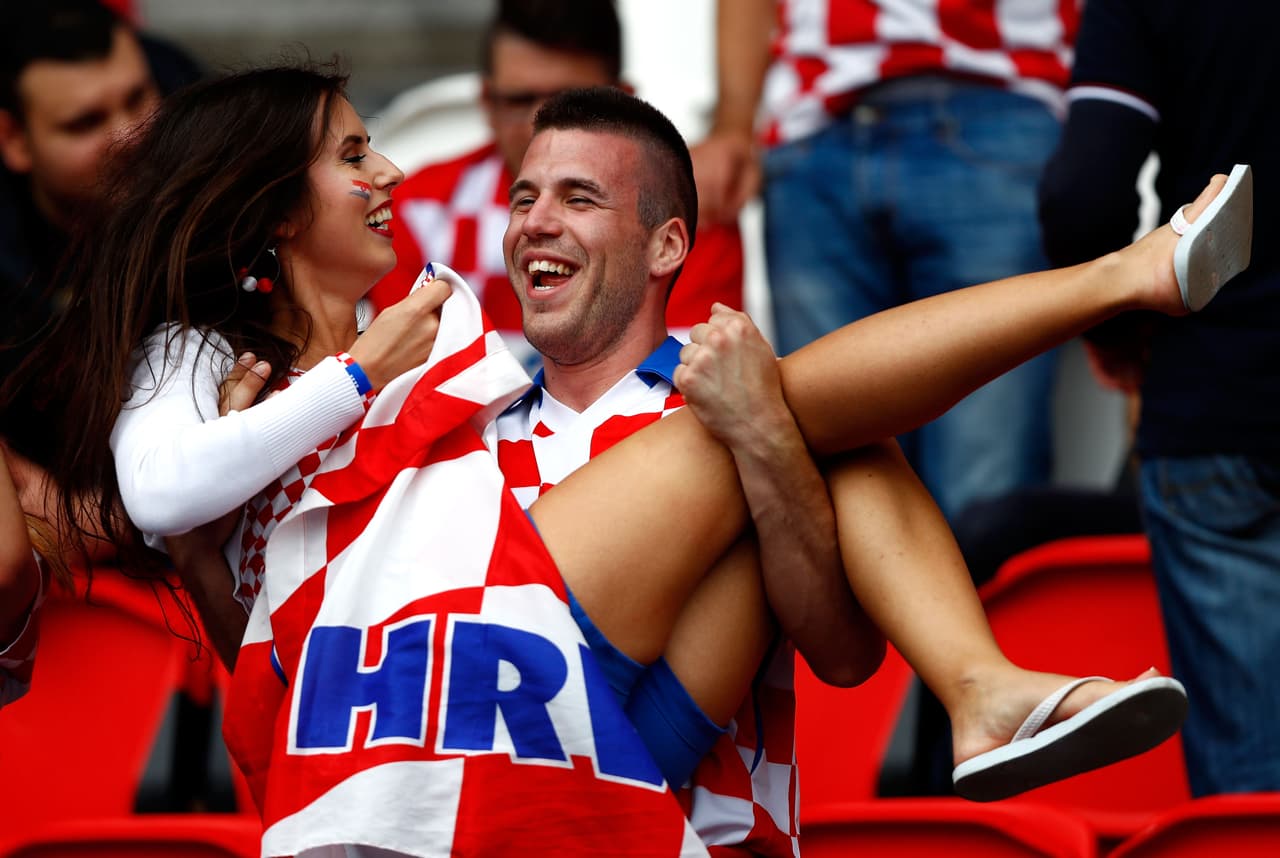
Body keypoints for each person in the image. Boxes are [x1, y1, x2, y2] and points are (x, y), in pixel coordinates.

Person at [2, 65, 1225, 854]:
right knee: (793, 407)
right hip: (408, 739)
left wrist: (758, 440)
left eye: (576, 199)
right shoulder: (324, 379)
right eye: (355, 156)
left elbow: (841, 651)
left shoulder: (463, 358)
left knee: (784, 416)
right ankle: (1124, 288)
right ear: (271, 210)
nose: (401, 181)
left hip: (600, 766)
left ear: (666, 245)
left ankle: (983, 685)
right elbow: (256, 609)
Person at [692, 0, 1073, 523]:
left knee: (983, 489)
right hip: (818, 127)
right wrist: (734, 122)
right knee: (837, 474)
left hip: (999, 98)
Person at [1039, 0, 1280, 797]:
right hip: (1219, 394)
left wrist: (1118, 331)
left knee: (1252, 790)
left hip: (1223, 389)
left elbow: (1083, 193)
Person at [368, 0, 744, 371]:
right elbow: (406, 389)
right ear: (487, 103)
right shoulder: (416, 208)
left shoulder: (681, 205)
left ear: (624, 100)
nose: (541, 123)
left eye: (570, 104)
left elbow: (684, 392)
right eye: (520, 100)